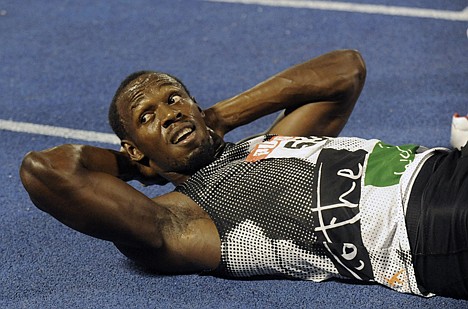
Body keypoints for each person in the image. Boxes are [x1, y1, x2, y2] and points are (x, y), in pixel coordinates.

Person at [19, 50, 468, 299]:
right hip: (431, 230)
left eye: (175, 98)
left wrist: (216, 118)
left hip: (443, 167)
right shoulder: (182, 219)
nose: (169, 113)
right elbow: (45, 170)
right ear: (133, 146)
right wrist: (143, 165)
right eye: (147, 116)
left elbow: (345, 70)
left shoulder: (263, 146)